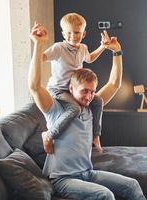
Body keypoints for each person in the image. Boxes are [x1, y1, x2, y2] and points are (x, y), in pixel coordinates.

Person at [29, 23, 147, 200]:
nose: (90, 96)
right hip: (63, 179)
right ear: (71, 87)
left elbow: (114, 84)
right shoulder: (56, 108)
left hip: (87, 172)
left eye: (92, 91)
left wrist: (117, 52)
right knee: (105, 195)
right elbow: (35, 86)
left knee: (132, 185)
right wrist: (38, 45)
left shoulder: (91, 106)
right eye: (85, 91)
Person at [42, 13, 107, 152]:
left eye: (77, 32)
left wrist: (102, 47)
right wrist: (38, 43)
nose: (73, 36)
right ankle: (49, 135)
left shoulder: (83, 48)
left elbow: (89, 58)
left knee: (98, 101)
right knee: (74, 109)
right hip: (59, 89)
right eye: (69, 33)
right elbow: (42, 57)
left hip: (75, 89)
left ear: (83, 34)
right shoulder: (58, 48)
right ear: (63, 33)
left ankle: (96, 136)